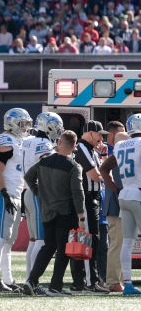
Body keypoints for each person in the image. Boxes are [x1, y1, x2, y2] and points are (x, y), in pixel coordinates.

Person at [100, 113, 141, 295]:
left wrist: (115, 188)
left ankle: (128, 284)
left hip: (124, 197)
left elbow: (104, 168)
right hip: (139, 195)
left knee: (127, 243)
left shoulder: (121, 145)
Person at [23, 130, 85, 296]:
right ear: (74, 147)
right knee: (64, 250)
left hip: (47, 210)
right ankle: (55, 286)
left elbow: (28, 177)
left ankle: (32, 280)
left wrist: (40, 193)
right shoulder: (74, 166)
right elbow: (78, 193)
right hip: (65, 212)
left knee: (48, 246)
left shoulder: (44, 162)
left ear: (59, 143)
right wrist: (81, 216)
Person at [22, 112, 64, 282]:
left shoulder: (28, 141)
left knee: (33, 240)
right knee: (41, 239)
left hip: (27, 191)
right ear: (49, 126)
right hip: (39, 192)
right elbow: (46, 167)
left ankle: (28, 279)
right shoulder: (44, 144)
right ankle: (32, 281)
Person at [70, 120, 110, 294]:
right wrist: (107, 177)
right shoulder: (82, 148)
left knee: (93, 238)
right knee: (88, 239)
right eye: (99, 134)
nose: (101, 138)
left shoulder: (92, 150)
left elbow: (102, 172)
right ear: (90, 133)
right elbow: (95, 176)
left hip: (93, 198)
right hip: (86, 199)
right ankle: (88, 282)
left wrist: (103, 157)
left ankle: (86, 281)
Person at [0, 108, 32, 292]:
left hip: (16, 192)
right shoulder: (6, 140)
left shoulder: (19, 140)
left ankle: (8, 279)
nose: (25, 127)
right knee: (2, 238)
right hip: (7, 192)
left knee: (9, 240)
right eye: (22, 124)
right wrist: (4, 191)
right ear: (12, 123)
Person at [104, 130, 127, 292]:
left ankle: (119, 279)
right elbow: (104, 171)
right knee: (117, 243)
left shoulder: (120, 154)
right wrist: (116, 189)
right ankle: (113, 281)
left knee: (123, 243)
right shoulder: (119, 155)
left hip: (118, 203)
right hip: (115, 205)